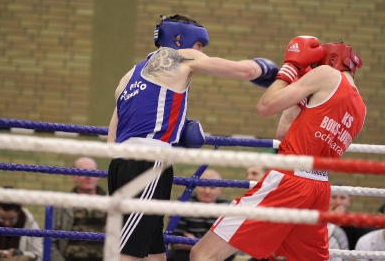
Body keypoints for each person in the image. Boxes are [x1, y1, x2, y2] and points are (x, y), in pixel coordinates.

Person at [106, 14, 278, 261]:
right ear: (180, 39)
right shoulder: (180, 56)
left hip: (121, 166)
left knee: (155, 252)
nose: (201, 51)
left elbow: (113, 140)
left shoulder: (127, 78)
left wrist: (170, 132)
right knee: (128, 253)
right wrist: (275, 72)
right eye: (199, 45)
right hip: (147, 165)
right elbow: (247, 70)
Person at [190, 36, 366, 261]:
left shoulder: (328, 75)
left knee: (202, 255)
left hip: (289, 181)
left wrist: (290, 68)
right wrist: (300, 95)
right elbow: (284, 135)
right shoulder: (361, 108)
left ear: (328, 59)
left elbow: (264, 107)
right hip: (319, 189)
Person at [169, 169, 235, 261]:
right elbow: (176, 242)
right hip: (186, 256)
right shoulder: (183, 202)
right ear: (196, 186)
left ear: (220, 189)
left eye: (212, 188)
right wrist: (213, 245)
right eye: (203, 186)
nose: (207, 191)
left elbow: (229, 244)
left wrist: (193, 241)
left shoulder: (227, 207)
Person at [50, 157, 107, 261]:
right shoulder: (62, 205)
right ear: (73, 176)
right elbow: (50, 241)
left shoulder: (111, 203)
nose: (88, 176)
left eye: (92, 171)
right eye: (83, 172)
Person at [0, 192, 43, 261]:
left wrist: (22, 254)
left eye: (11, 219)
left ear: (19, 213)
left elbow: (38, 255)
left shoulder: (30, 223)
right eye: (2, 218)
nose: (6, 223)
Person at [329, 179, 375, 251]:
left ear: (349, 201)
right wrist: (329, 221)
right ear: (326, 198)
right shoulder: (318, 221)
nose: (338, 202)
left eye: (342, 198)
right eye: (333, 197)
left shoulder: (356, 225)